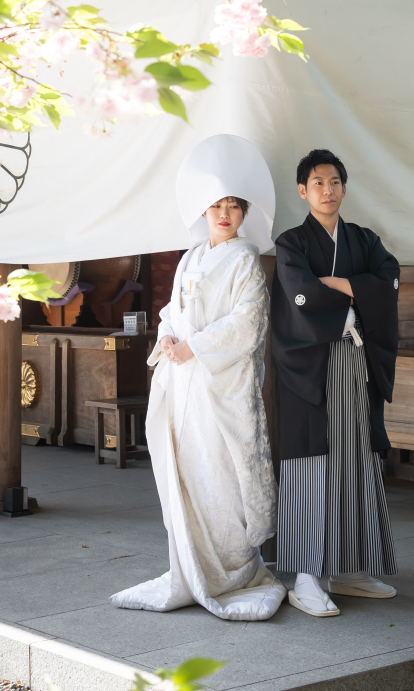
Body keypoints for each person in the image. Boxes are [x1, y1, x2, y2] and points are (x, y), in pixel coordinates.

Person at [112, 134, 286, 622]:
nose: (225, 214)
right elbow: (172, 311)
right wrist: (168, 338)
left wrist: (196, 346)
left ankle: (231, 569)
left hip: (220, 388)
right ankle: (190, 567)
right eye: (216, 206)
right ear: (204, 211)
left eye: (233, 206)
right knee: (188, 471)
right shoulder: (190, 257)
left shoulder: (246, 259)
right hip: (186, 384)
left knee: (220, 476)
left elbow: (248, 321)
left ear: (243, 212)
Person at [271, 148, 400, 618]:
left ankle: (349, 568)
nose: (328, 190)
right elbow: (300, 296)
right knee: (313, 466)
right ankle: (306, 576)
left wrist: (344, 284)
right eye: (318, 183)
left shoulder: (364, 239)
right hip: (312, 367)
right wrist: (358, 291)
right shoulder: (291, 244)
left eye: (335, 182)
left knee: (356, 460)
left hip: (357, 364)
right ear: (303, 191)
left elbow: (390, 279)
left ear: (344, 188)